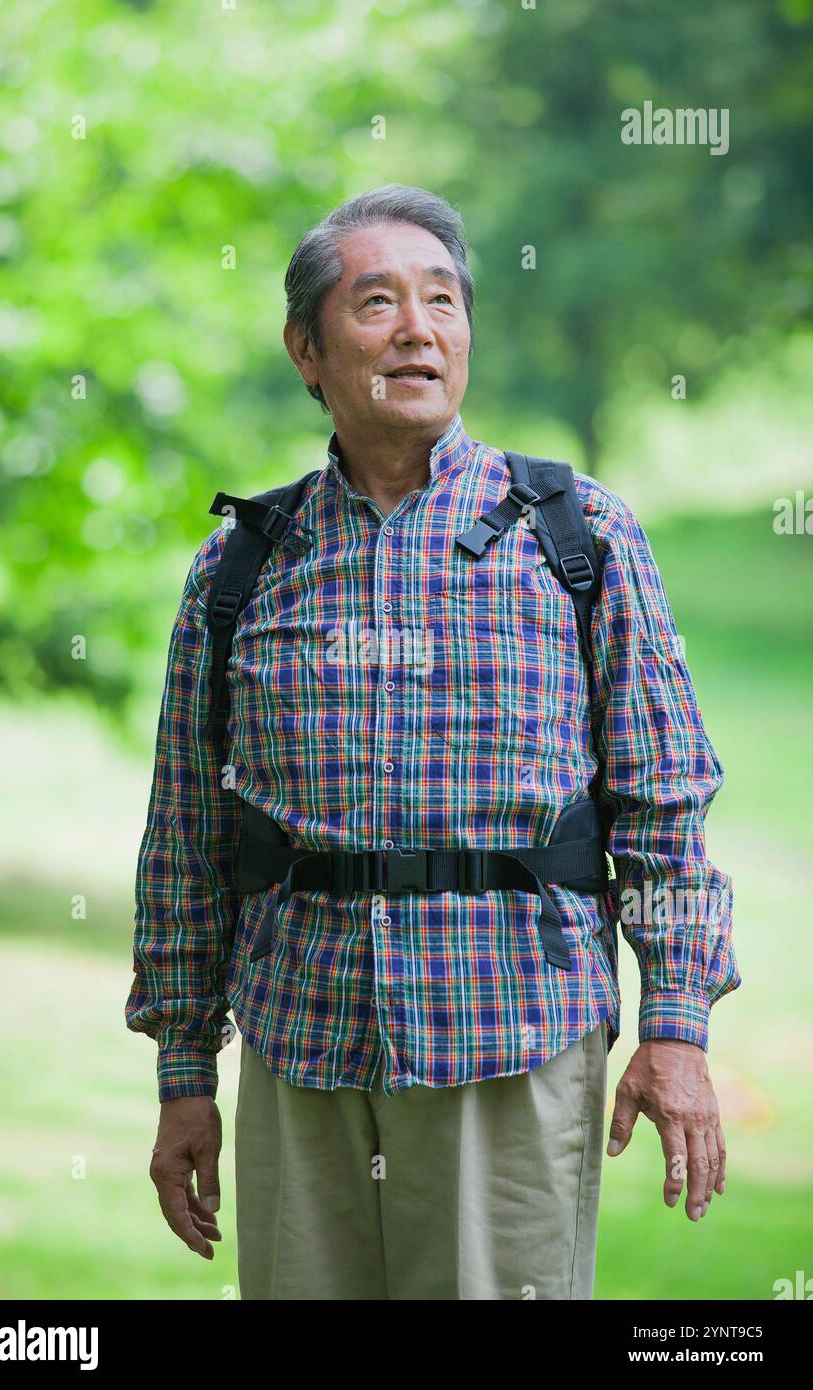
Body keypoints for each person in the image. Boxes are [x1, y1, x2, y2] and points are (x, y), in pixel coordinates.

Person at [126, 184, 740, 1300]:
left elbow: (663, 800)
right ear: (306, 349)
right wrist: (182, 1070)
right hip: (299, 1042)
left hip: (512, 1031)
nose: (418, 328)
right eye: (377, 303)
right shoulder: (239, 570)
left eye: (442, 301)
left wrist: (675, 1028)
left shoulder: (577, 536)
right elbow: (185, 833)